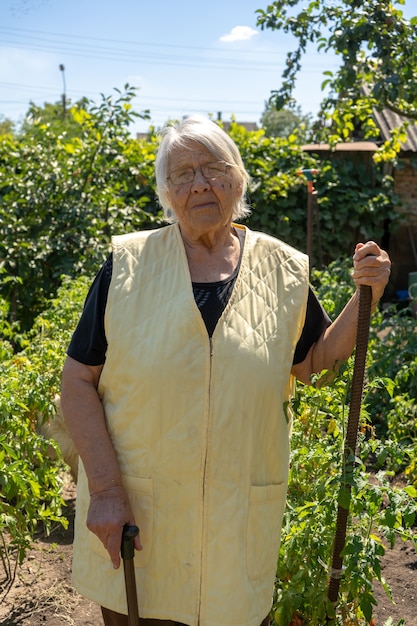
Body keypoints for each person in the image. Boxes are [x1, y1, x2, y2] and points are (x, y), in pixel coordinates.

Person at [60, 115, 391, 626]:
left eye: (214, 168)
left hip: (237, 525)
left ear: (238, 180)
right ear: (166, 193)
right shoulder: (126, 267)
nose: (200, 184)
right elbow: (78, 382)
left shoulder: (282, 269)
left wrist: (365, 295)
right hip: (142, 527)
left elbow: (316, 363)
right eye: (183, 173)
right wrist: (104, 492)